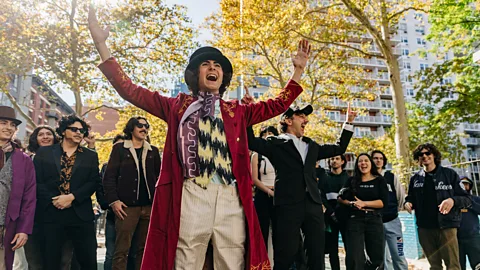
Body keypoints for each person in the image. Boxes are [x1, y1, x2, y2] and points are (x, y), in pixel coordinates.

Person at [89, 5, 311, 268]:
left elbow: (276, 105)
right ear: (196, 75)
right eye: (205, 64)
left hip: (231, 194)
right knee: (187, 259)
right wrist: (101, 45)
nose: (212, 67)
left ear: (223, 76)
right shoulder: (175, 106)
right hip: (192, 192)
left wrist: (297, 70)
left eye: (217, 65)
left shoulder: (237, 111)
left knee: (232, 259)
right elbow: (131, 91)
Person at [247, 104, 356, 270]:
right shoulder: (274, 143)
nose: (306, 120)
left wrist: (348, 122)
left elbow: (339, 147)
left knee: (316, 253)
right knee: (285, 253)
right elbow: (250, 141)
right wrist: (249, 111)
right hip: (288, 205)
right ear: (288, 120)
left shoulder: (311, 145)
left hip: (312, 204)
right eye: (301, 116)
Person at [33, 115, 100, 269]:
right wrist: (55, 200)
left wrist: (72, 197)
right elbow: (37, 181)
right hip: (51, 213)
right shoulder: (44, 152)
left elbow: (93, 182)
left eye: (82, 130)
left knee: (88, 261)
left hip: (80, 214)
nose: (79, 133)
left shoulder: (90, 155)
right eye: (74, 129)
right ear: (63, 131)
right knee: (51, 261)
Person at [103, 117, 161, 270]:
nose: (144, 128)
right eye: (140, 125)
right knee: (122, 250)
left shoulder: (153, 151)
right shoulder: (119, 149)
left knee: (143, 250)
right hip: (126, 208)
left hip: (148, 208)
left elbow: (158, 179)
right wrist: (114, 200)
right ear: (131, 128)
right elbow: (109, 177)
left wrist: (157, 204)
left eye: (146, 126)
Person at [404, 143, 471, 270]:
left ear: (434, 155)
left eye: (428, 153)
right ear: (418, 158)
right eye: (421, 154)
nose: (424, 156)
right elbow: (410, 198)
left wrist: (452, 200)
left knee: (453, 265)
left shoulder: (449, 174)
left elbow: (467, 199)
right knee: (434, 266)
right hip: (425, 228)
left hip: (446, 227)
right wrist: (407, 203)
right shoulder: (415, 179)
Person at [0, 106, 36, 270]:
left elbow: (29, 197)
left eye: (12, 125)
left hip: (6, 225)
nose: (8, 127)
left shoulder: (23, 160)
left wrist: (23, 229)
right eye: (3, 122)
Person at [338, 153, 389, 270]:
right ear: (357, 165)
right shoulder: (351, 180)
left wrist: (364, 203)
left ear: (371, 163)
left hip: (374, 219)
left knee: (376, 258)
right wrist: (351, 204)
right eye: (360, 161)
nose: (363, 163)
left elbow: (383, 202)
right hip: (355, 219)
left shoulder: (380, 180)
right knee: (354, 257)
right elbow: (340, 198)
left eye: (366, 160)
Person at [371, 150, 408, 270]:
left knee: (399, 255)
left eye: (381, 158)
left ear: (384, 161)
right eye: (375, 158)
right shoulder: (367, 178)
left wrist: (393, 210)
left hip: (392, 221)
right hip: (375, 222)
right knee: (384, 259)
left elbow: (400, 197)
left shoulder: (391, 177)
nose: (378, 160)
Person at [317, 155, 349, 270]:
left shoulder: (348, 178)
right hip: (330, 219)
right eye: (332, 159)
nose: (334, 161)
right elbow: (321, 196)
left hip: (345, 218)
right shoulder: (324, 178)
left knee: (349, 248)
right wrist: (331, 212)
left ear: (342, 161)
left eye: (337, 159)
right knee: (332, 250)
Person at [251, 126, 278, 252]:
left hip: (279, 195)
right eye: (264, 134)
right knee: (262, 231)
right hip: (263, 194)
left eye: (271, 133)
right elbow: (255, 179)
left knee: (280, 232)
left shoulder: (280, 152)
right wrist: (269, 192)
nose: (267, 136)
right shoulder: (257, 155)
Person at [457, 176, 480, 270]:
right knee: (459, 265)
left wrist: (469, 203)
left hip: (473, 237)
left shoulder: (475, 199)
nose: (464, 186)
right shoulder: (454, 200)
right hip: (456, 238)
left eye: (466, 184)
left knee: (477, 264)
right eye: (462, 184)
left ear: (470, 186)